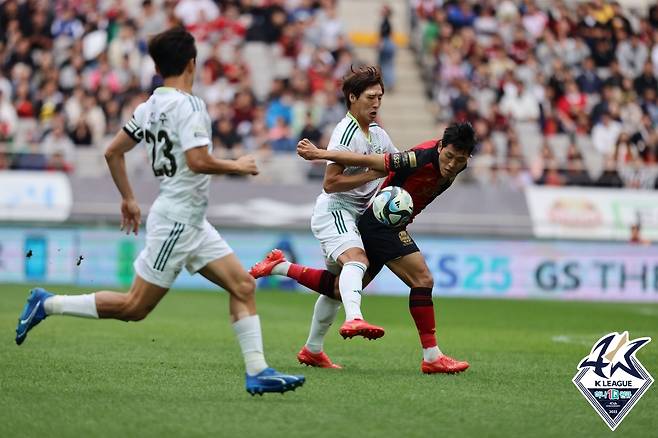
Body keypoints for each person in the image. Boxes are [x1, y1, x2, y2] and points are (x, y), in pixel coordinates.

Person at [14, 27, 304, 396]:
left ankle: (258, 371)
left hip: (191, 220)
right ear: (191, 63)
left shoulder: (149, 106)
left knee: (243, 285)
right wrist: (237, 165)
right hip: (178, 221)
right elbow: (197, 160)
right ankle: (48, 303)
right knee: (135, 307)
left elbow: (112, 152)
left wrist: (128, 198)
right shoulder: (190, 105)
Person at [250, 122, 476, 374]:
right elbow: (371, 161)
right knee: (422, 278)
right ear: (441, 147)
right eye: (448, 157)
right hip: (381, 223)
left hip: (387, 224)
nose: (452, 164)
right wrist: (321, 153)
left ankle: (282, 267)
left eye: (459, 160)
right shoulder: (419, 157)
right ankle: (432, 356)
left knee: (339, 289)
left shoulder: (456, 166)